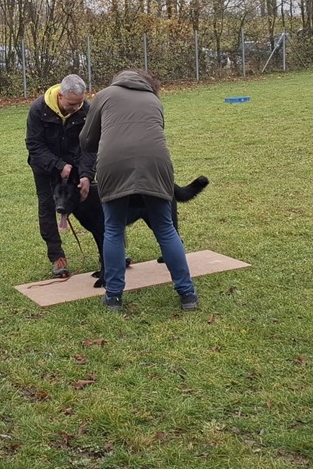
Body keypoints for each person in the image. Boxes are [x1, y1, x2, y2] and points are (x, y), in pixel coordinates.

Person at [79, 69, 198, 312]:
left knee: (113, 229)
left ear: (117, 80)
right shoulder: (154, 99)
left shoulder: (104, 95)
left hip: (114, 164)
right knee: (165, 228)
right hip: (156, 164)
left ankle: (113, 297)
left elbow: (86, 140)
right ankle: (187, 294)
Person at [25, 74, 95, 278]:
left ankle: (110, 252)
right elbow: (34, 145)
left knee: (96, 203)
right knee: (48, 207)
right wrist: (59, 165)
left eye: (80, 103)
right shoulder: (39, 109)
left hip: (77, 164)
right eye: (72, 104)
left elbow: (91, 145)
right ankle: (57, 257)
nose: (76, 107)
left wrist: (87, 175)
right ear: (60, 96)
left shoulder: (86, 109)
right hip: (45, 167)